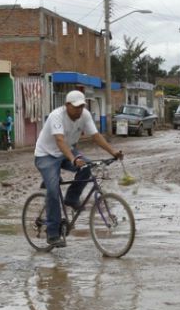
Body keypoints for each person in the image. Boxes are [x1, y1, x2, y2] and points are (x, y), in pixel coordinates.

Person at [34, 90, 123, 248]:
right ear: (66, 105)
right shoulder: (56, 116)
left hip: (68, 151)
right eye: (75, 107)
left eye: (81, 106)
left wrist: (113, 152)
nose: (79, 110)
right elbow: (60, 141)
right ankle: (52, 232)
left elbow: (95, 136)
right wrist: (73, 158)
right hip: (46, 155)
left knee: (88, 167)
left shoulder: (85, 115)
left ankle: (72, 198)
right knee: (53, 190)